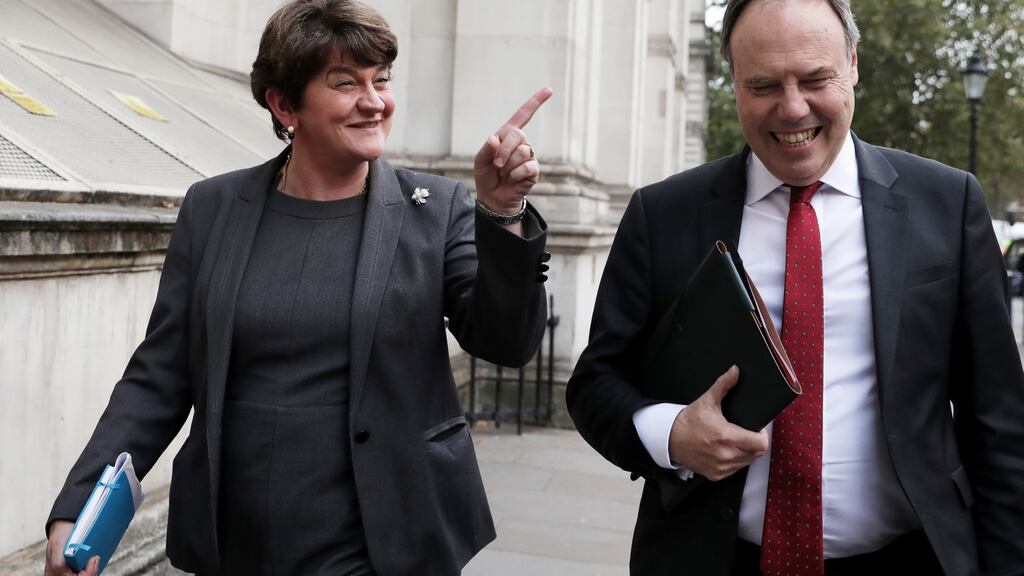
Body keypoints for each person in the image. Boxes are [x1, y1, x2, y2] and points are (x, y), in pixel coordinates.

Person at [43, 1, 553, 574]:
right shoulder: (213, 208)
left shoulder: (436, 210)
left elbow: (506, 341)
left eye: (380, 81)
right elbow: (160, 375)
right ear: (285, 105)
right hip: (236, 543)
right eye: (346, 83)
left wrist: (503, 213)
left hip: (381, 544)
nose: (374, 101)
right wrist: (80, 506)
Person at [566, 0, 1024, 574]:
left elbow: (999, 421)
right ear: (732, 82)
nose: (792, 108)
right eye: (763, 85)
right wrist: (672, 434)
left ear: (853, 65)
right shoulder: (663, 214)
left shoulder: (948, 204)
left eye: (815, 79)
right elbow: (596, 382)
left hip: (911, 557)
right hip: (711, 558)